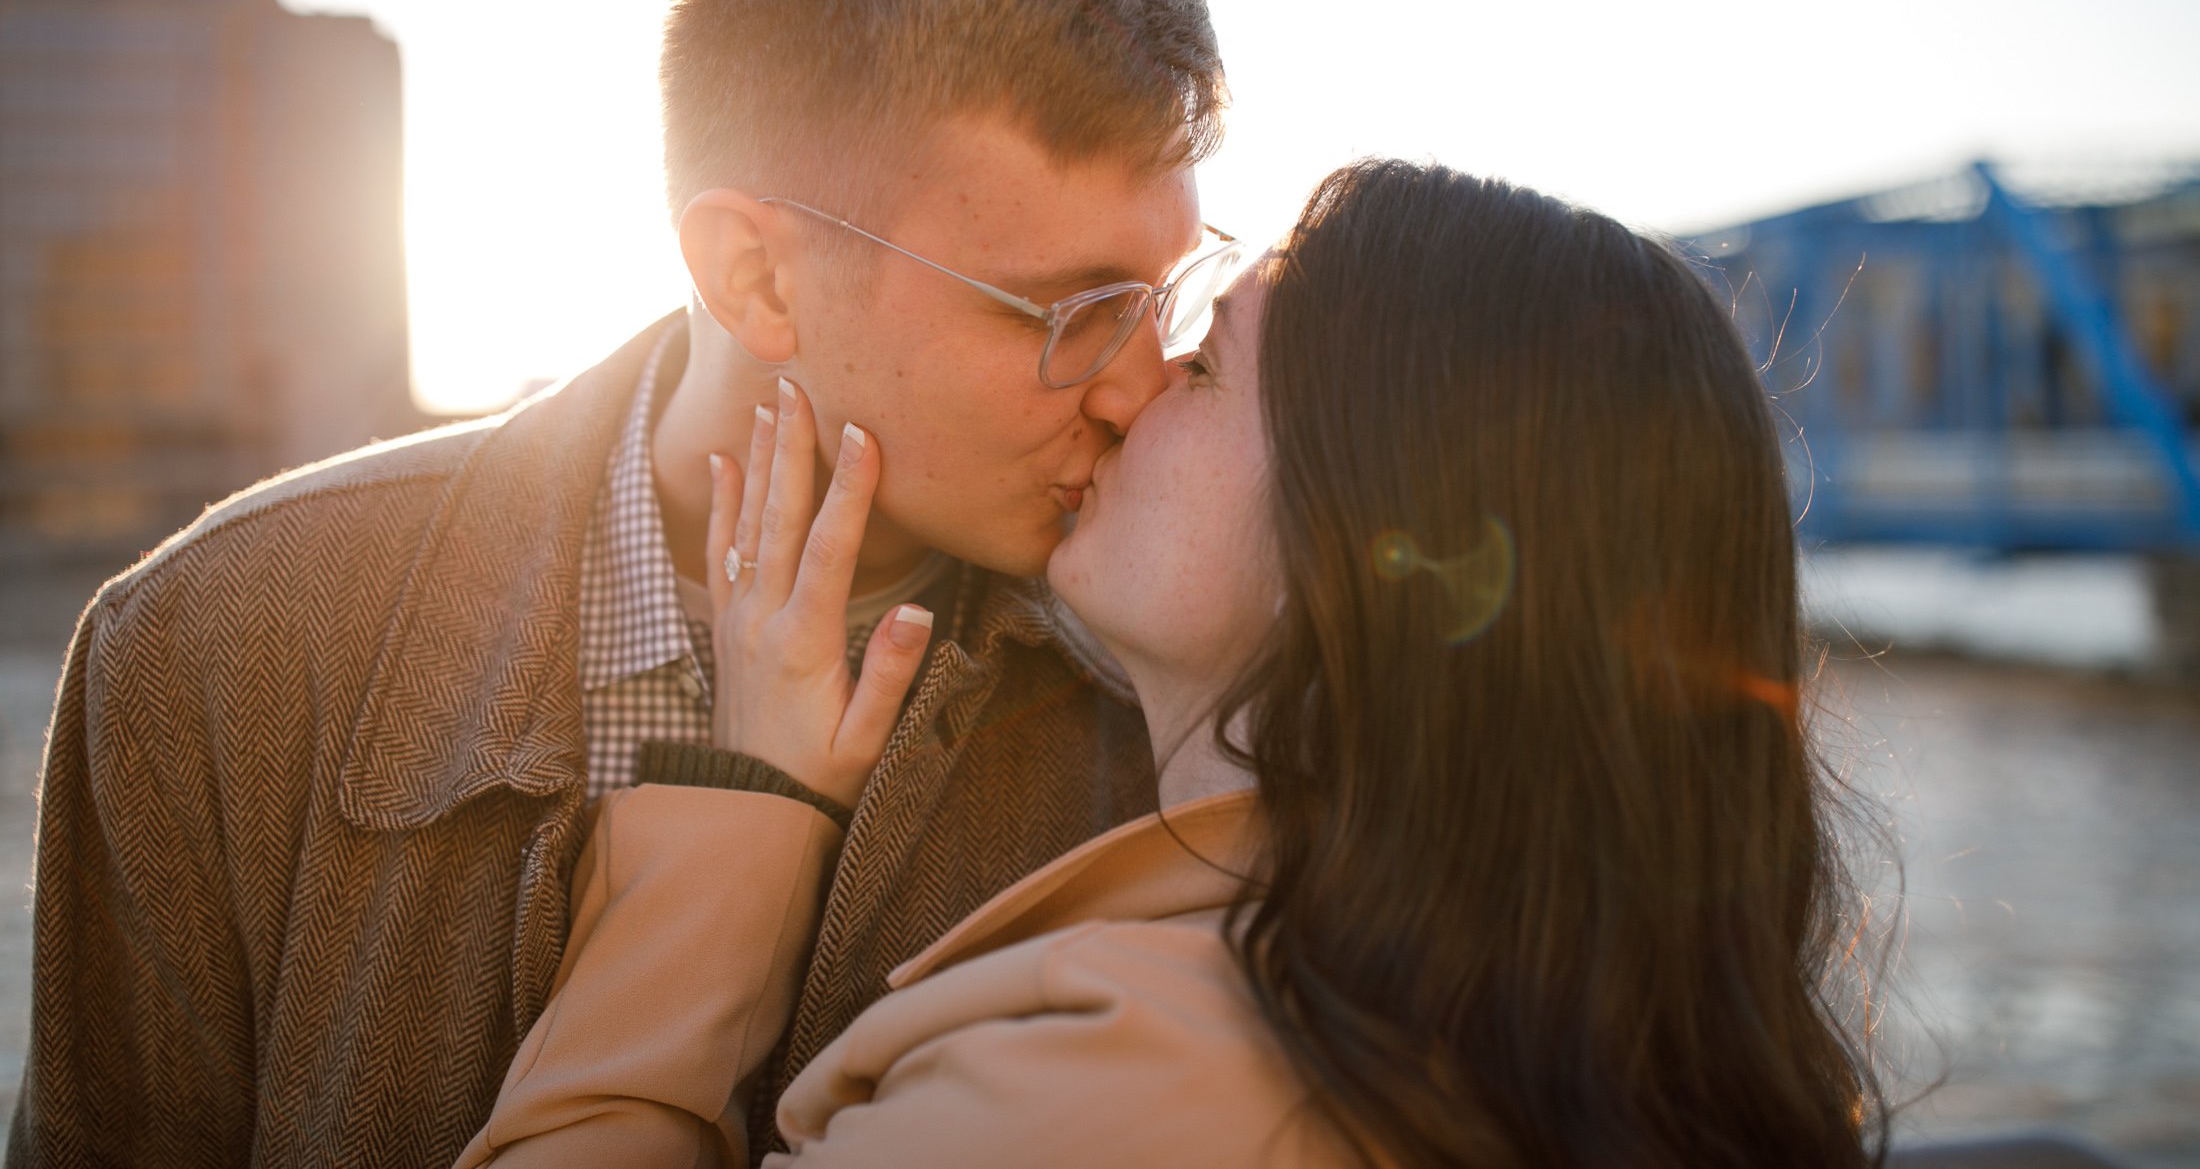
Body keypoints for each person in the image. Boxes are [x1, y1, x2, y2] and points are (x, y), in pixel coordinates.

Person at [9, 0, 1229, 1167]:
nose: (1136, 388)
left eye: (1162, 297)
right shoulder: (214, 646)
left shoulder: (1159, 709)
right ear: (756, 278)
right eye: (1066, 312)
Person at [459, 160, 1888, 1167]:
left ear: (1361, 546)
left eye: (1203, 366)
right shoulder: (1563, 1034)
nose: (1132, 382)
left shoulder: (1130, 1094)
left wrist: (746, 816)